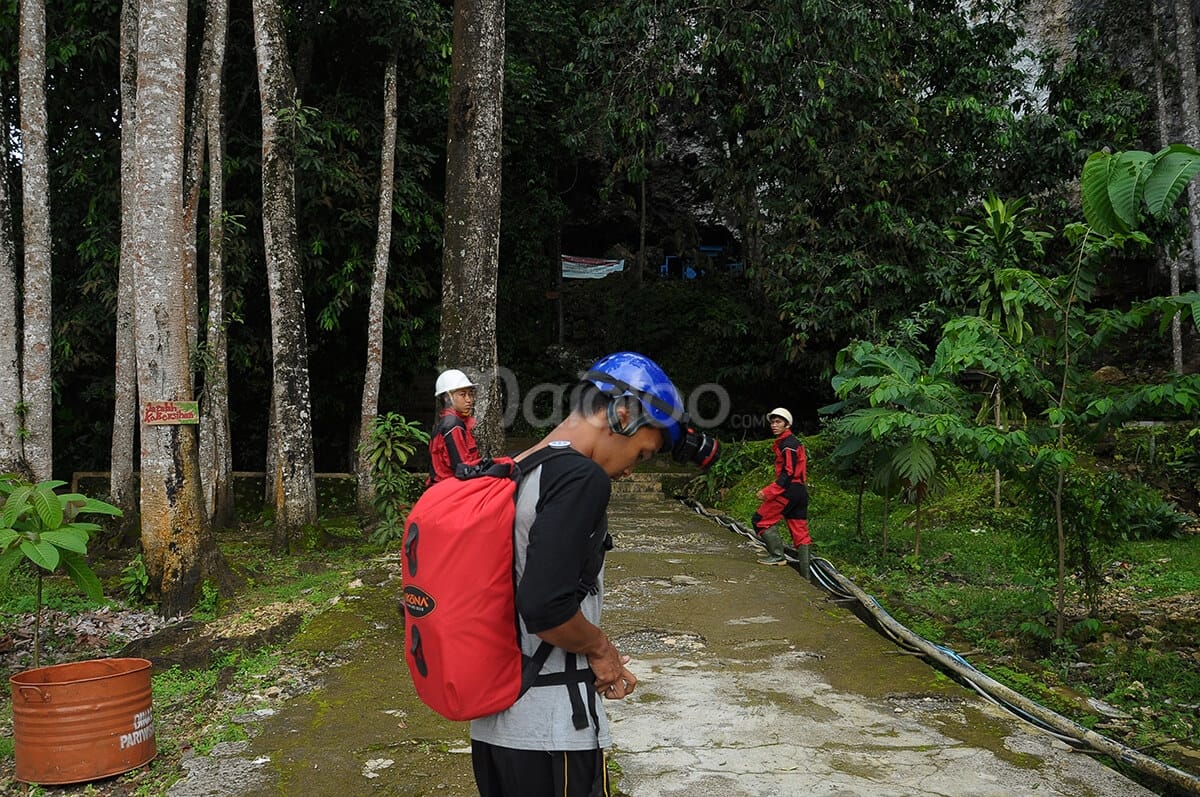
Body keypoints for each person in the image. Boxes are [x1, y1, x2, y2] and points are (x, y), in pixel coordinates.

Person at [470, 351, 717, 797]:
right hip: (552, 730)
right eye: (641, 454)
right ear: (623, 413)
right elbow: (545, 606)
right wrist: (602, 651)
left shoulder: (520, 467)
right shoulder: (580, 478)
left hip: (495, 727)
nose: (627, 471)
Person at [750, 407, 811, 576]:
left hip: (788, 490)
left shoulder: (788, 444)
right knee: (800, 532)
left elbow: (789, 472)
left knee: (760, 520)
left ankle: (777, 556)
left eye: (778, 422)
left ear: (787, 424)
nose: (774, 425)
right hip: (800, 491)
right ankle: (806, 578)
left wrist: (769, 491)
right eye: (772, 422)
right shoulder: (793, 442)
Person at [427, 368, 481, 485]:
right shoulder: (453, 426)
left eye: (470, 394)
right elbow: (463, 469)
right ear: (447, 397)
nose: (469, 400)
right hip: (450, 488)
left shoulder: (450, 422)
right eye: (463, 395)